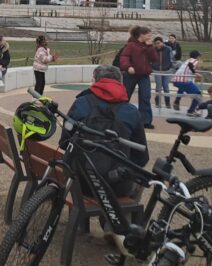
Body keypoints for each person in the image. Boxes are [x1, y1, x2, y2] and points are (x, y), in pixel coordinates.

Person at [63, 64, 149, 195]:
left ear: (95, 81)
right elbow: (142, 158)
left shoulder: (81, 103)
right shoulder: (131, 111)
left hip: (80, 181)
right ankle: (123, 215)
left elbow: (64, 141)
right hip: (117, 187)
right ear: (120, 83)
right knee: (139, 181)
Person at [119, 26, 157, 129]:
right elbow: (124, 57)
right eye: (148, 34)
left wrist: (150, 47)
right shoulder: (131, 45)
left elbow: (154, 58)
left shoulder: (149, 46)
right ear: (142, 35)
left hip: (144, 75)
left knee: (145, 97)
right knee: (125, 96)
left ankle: (145, 121)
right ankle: (120, 117)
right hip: (131, 75)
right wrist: (128, 67)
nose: (150, 36)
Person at [172, 50, 203, 115]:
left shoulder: (187, 60)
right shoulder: (194, 61)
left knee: (182, 88)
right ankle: (191, 111)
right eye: (199, 57)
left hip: (176, 80)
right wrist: (196, 73)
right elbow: (190, 65)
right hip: (184, 81)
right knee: (198, 94)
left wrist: (195, 72)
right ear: (197, 57)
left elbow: (189, 67)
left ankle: (176, 102)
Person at [151, 36, 173, 113]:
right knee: (158, 86)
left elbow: (171, 58)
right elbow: (150, 59)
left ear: (162, 42)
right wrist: (152, 66)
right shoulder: (153, 50)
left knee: (166, 86)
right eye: (156, 44)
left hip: (167, 70)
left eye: (159, 43)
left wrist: (170, 66)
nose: (158, 45)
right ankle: (157, 102)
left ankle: (167, 103)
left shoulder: (168, 49)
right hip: (157, 70)